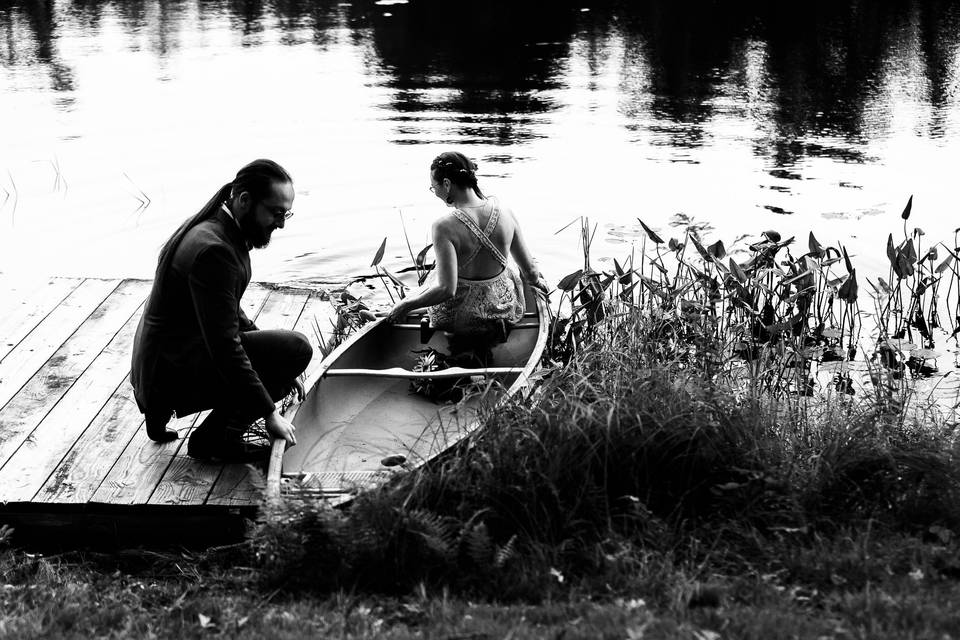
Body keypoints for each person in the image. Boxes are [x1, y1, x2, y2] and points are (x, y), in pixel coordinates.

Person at [130, 159, 311, 463]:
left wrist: (278, 361)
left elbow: (227, 312)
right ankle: (213, 441)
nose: (281, 224)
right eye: (276, 213)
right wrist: (269, 413)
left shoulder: (215, 226)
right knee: (298, 348)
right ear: (244, 201)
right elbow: (225, 347)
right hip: (169, 373)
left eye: (286, 213)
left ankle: (162, 415)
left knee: (285, 359)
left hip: (164, 363)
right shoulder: (215, 250)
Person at [385, 151, 548, 351]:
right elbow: (530, 272)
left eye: (433, 187)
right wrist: (539, 284)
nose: (435, 193)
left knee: (434, 280)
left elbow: (446, 289)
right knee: (513, 271)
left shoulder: (443, 226)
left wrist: (405, 306)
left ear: (446, 184)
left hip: (458, 319)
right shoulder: (507, 214)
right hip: (499, 311)